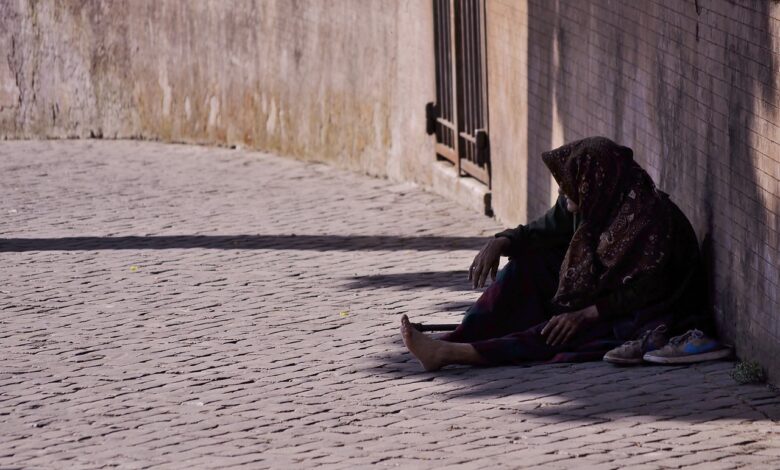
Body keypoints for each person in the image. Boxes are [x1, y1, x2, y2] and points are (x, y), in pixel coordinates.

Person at [400, 136, 725, 371]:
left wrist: (584, 314)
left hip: (649, 310)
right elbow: (543, 230)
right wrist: (502, 241)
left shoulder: (649, 222)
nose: (563, 193)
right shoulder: (595, 199)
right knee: (527, 265)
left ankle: (454, 354)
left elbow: (645, 291)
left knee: (561, 331)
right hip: (606, 291)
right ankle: (461, 336)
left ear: (594, 183)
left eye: (569, 187)